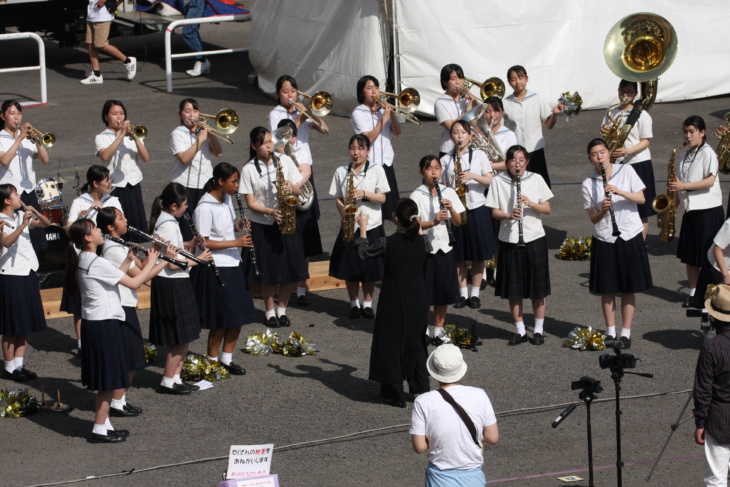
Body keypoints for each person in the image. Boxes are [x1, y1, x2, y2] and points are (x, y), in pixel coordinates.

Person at [65, 219, 159, 443]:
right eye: (95, 229)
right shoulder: (95, 262)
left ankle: (104, 424)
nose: (99, 231)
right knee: (108, 380)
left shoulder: (87, 259)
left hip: (97, 323)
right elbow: (135, 283)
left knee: (108, 378)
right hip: (103, 324)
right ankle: (99, 428)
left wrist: (128, 260)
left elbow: (112, 277)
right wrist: (153, 262)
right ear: (88, 238)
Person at [355, 199, 430, 407]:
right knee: (416, 343)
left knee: (390, 344)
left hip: (394, 298)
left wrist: (362, 229)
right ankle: (421, 387)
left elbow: (363, 252)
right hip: (417, 297)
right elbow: (426, 245)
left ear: (396, 219)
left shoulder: (388, 242)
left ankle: (394, 391)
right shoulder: (424, 242)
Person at [581, 138, 652, 349]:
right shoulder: (588, 183)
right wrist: (603, 208)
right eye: (594, 154)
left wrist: (619, 191)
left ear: (609, 153)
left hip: (629, 233)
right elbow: (593, 218)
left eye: (602, 152)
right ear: (590, 159)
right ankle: (611, 331)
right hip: (605, 237)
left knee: (629, 287)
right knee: (607, 288)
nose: (599, 157)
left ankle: (626, 333)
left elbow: (641, 199)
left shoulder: (626, 170)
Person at [97, 207, 168, 412]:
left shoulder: (121, 245)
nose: (126, 219)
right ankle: (117, 402)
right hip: (120, 306)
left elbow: (142, 265)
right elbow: (142, 277)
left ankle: (120, 400)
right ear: (110, 227)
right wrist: (163, 260)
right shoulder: (113, 249)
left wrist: (155, 250)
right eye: (121, 217)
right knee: (129, 356)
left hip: (126, 304)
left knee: (132, 354)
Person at [240, 127, 309, 327]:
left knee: (289, 269)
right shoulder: (248, 169)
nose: (270, 145)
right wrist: (270, 212)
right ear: (254, 146)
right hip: (263, 224)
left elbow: (298, 189)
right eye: (264, 143)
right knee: (268, 272)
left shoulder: (284, 161)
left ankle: (282, 310)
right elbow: (250, 203)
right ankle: (269, 312)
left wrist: (291, 186)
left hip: (287, 220)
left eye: (270, 141)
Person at [193, 162, 256, 375]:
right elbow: (203, 242)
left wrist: (237, 226)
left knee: (238, 314)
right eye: (234, 181)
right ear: (220, 181)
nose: (237, 186)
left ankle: (227, 359)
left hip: (233, 263)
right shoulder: (204, 207)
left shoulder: (227, 199)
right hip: (216, 266)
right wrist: (237, 242)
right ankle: (211, 360)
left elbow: (225, 230)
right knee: (221, 317)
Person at [486, 145, 553, 346]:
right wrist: (508, 215)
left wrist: (531, 203)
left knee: (538, 288)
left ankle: (539, 330)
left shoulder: (536, 179)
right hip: (509, 238)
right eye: (514, 160)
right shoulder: (498, 181)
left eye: (521, 160)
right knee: (514, 290)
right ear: (507, 163)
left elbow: (547, 209)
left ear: (527, 162)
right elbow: (494, 212)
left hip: (534, 237)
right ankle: (521, 330)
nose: (518, 164)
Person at [149, 183, 211, 394]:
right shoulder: (166, 224)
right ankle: (167, 380)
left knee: (186, 335)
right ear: (174, 205)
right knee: (178, 336)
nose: (187, 209)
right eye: (185, 205)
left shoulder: (170, 221)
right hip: (171, 283)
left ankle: (176, 377)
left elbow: (174, 248)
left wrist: (190, 243)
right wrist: (199, 259)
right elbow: (173, 263)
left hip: (177, 281)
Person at [410, 344, 499, 486]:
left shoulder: (423, 401)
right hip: (472, 476)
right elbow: (492, 437)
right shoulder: (479, 395)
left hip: (439, 476)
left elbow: (419, 446)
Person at [62, 165, 123, 352]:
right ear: (95, 184)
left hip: (106, 252)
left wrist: (105, 211)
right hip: (84, 254)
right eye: (107, 181)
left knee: (104, 295)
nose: (110, 184)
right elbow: (68, 229)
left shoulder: (114, 200)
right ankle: (82, 342)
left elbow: (121, 223)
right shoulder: (80, 202)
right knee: (82, 299)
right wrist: (84, 216)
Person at [328, 134, 389, 319]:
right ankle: (354, 303)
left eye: (361, 148)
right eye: (353, 148)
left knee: (370, 268)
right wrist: (343, 213)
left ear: (368, 151)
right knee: (350, 266)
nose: (356, 152)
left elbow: (383, 198)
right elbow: (338, 197)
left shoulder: (377, 170)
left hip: (371, 224)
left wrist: (364, 193)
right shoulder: (341, 171)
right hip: (350, 224)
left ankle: (368, 303)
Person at [669, 116, 724, 308]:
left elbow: (709, 181)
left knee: (708, 257)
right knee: (691, 256)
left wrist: (684, 185)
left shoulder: (708, 153)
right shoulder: (684, 155)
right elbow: (679, 187)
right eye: (686, 131)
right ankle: (693, 294)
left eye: (692, 131)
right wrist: (672, 208)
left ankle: (709, 296)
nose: (688, 135)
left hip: (708, 210)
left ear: (702, 132)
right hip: (690, 210)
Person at [440, 120, 494, 310]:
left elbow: (490, 180)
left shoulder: (479, 155)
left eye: (463, 132)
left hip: (477, 207)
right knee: (459, 255)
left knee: (479, 255)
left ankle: (475, 293)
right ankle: (462, 293)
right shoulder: (446, 160)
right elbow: (442, 186)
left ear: (470, 136)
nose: (460, 136)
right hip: (457, 209)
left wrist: (473, 176)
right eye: (456, 133)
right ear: (451, 136)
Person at [410, 156, 463, 344]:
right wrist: (434, 221)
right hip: (426, 249)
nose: (433, 172)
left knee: (442, 292)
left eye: (437, 168)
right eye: (429, 168)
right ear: (421, 172)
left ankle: (439, 330)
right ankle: (423, 329)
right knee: (424, 293)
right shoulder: (416, 195)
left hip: (445, 248)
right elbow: (414, 225)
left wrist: (452, 210)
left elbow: (459, 221)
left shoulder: (448, 191)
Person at [0, 184, 50, 382]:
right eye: (15, 194)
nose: (18, 196)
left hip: (27, 271)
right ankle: (9, 367)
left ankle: (19, 365)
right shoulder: (1, 220)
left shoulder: (21, 215)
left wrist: (34, 211)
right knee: (11, 324)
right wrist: (22, 225)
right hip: (10, 275)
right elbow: (6, 243)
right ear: (6, 200)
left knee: (24, 322)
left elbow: (46, 224)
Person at [275, 119, 323, 306]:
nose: (287, 139)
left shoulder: (300, 151)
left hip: (300, 199)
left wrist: (293, 186)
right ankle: (280, 288)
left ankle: (302, 290)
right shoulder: (274, 154)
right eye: (282, 135)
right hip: (282, 202)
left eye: (290, 135)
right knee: (282, 245)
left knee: (304, 247)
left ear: (295, 137)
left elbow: (306, 172)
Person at [601, 79, 655, 240]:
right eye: (622, 91)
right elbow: (606, 137)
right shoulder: (612, 112)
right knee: (620, 205)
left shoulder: (642, 114)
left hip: (638, 162)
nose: (624, 95)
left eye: (629, 92)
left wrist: (627, 150)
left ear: (635, 94)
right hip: (618, 164)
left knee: (642, 209)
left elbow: (646, 141)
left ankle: (641, 245)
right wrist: (605, 132)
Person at [95, 99, 149, 242]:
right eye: (114, 114)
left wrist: (136, 138)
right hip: (115, 187)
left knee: (136, 230)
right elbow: (105, 155)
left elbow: (145, 158)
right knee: (118, 228)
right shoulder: (101, 137)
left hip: (133, 184)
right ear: (106, 117)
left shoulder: (133, 134)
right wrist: (120, 136)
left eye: (122, 113)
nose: (119, 117)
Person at [0, 100, 50, 252]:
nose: (16, 117)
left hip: (29, 192)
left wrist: (37, 140)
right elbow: (4, 160)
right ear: (2, 117)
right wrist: (19, 138)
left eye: (19, 113)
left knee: (37, 236)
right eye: (12, 113)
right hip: (10, 195)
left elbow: (45, 160)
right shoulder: (1, 138)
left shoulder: (28, 139)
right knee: (15, 231)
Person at [502, 65, 563, 188]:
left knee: (540, 186)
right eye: (513, 79)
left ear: (527, 79)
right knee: (519, 186)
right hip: (516, 153)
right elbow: (502, 129)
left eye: (520, 77)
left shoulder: (536, 98)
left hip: (535, 150)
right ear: (509, 82)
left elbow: (548, 124)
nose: (518, 82)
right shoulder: (505, 103)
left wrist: (555, 115)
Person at [170, 98, 223, 240]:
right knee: (186, 230)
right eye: (187, 111)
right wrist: (200, 139)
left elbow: (218, 153)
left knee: (204, 227)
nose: (192, 115)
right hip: (185, 185)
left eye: (195, 110)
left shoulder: (204, 132)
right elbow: (184, 158)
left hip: (205, 184)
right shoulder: (177, 133)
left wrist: (211, 134)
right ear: (180, 114)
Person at [351, 75, 401, 221]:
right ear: (362, 92)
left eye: (376, 87)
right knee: (373, 210)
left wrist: (391, 115)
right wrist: (384, 119)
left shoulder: (382, 110)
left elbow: (397, 133)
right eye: (369, 88)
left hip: (386, 163)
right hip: (371, 164)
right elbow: (366, 139)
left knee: (390, 211)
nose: (374, 91)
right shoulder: (358, 113)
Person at [694, 284, 730, 487]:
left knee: (715, 479)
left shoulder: (712, 347)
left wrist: (700, 422)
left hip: (719, 419)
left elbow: (703, 389)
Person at [266, 74, 329, 164]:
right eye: (285, 92)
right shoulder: (275, 114)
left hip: (306, 162)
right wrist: (298, 122)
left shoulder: (301, 111)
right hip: (288, 162)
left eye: (293, 91)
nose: (290, 95)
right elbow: (278, 143)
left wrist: (309, 113)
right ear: (277, 94)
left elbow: (325, 130)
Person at [81, 0, 136, 84]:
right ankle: (96, 75)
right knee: (90, 44)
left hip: (102, 16)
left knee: (101, 44)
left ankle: (128, 61)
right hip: (92, 14)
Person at [434, 64, 478, 159]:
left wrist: (475, 105)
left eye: (461, 78)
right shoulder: (440, 103)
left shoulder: (465, 100)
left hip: (470, 149)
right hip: (449, 151)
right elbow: (451, 127)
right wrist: (467, 110)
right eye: (453, 79)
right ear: (445, 82)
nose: (458, 82)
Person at [183, 0, 211, 77]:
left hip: (196, 2)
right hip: (189, 3)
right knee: (193, 32)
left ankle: (202, 61)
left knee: (189, 32)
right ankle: (203, 62)